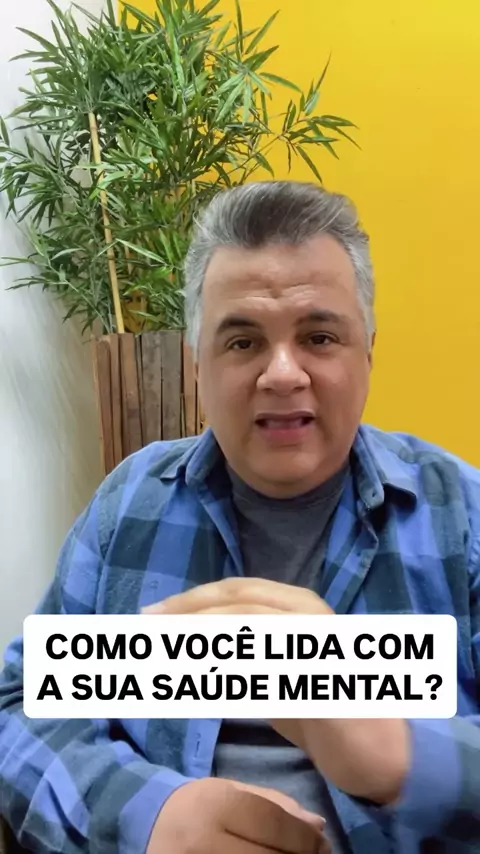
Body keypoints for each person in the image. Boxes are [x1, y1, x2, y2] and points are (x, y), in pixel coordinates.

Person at [0, 181, 479, 854]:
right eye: (244, 342)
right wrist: (146, 815)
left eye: (319, 336)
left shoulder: (462, 516)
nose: (282, 374)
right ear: (197, 364)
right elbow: (21, 705)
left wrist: (404, 755)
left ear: (367, 352)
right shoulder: (129, 505)